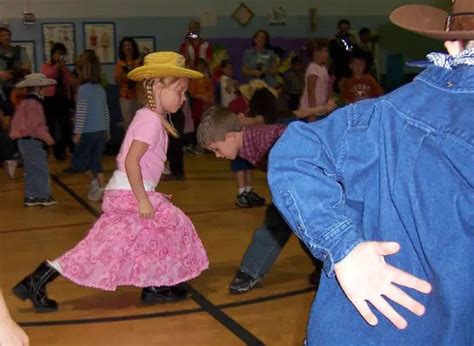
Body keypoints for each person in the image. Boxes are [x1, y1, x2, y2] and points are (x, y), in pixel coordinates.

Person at [267, 1, 473, 344]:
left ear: (450, 43)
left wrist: (343, 246)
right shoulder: (361, 97)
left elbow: (294, 152)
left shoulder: (384, 108)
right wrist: (341, 243)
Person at [12, 52, 209, 313]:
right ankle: (38, 280)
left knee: (158, 232)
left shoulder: (149, 117)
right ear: (159, 88)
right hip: (131, 193)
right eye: (180, 92)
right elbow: (131, 162)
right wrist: (143, 200)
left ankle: (156, 285)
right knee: (108, 246)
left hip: (129, 189)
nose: (183, 99)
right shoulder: (150, 120)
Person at [197, 107, 322, 294]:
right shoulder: (249, 142)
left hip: (314, 178)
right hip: (303, 180)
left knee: (291, 223)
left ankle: (329, 268)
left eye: (216, 149)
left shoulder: (266, 141)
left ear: (230, 136)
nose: (218, 155)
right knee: (286, 221)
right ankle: (324, 268)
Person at [65, 51, 110, 202]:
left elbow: (81, 112)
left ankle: (95, 184)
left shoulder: (83, 90)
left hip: (89, 132)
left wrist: (77, 132)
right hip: (101, 131)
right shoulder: (100, 89)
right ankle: (102, 187)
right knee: (96, 161)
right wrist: (108, 130)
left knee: (79, 162)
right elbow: (105, 111)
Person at [9, 74, 57, 207]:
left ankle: (31, 196)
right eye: (44, 87)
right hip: (32, 141)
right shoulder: (34, 104)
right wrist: (49, 139)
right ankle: (43, 196)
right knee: (41, 168)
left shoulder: (24, 103)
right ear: (38, 88)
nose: (46, 89)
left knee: (31, 169)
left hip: (23, 141)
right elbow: (37, 126)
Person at [41, 42, 73, 160]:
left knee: (65, 125)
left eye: (62, 55)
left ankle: (67, 149)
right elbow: (48, 76)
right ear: (53, 54)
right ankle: (50, 151)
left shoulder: (63, 66)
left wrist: (63, 68)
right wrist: (57, 66)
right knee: (50, 125)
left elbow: (69, 79)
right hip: (50, 98)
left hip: (62, 98)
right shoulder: (46, 65)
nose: (60, 57)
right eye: (58, 54)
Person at [114, 37, 142, 129]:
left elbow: (143, 78)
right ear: (122, 49)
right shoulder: (120, 64)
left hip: (138, 96)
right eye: (125, 46)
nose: (127, 48)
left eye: (129, 45)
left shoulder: (139, 62)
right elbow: (117, 80)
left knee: (139, 122)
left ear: (133, 47)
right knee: (128, 123)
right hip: (125, 96)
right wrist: (125, 74)